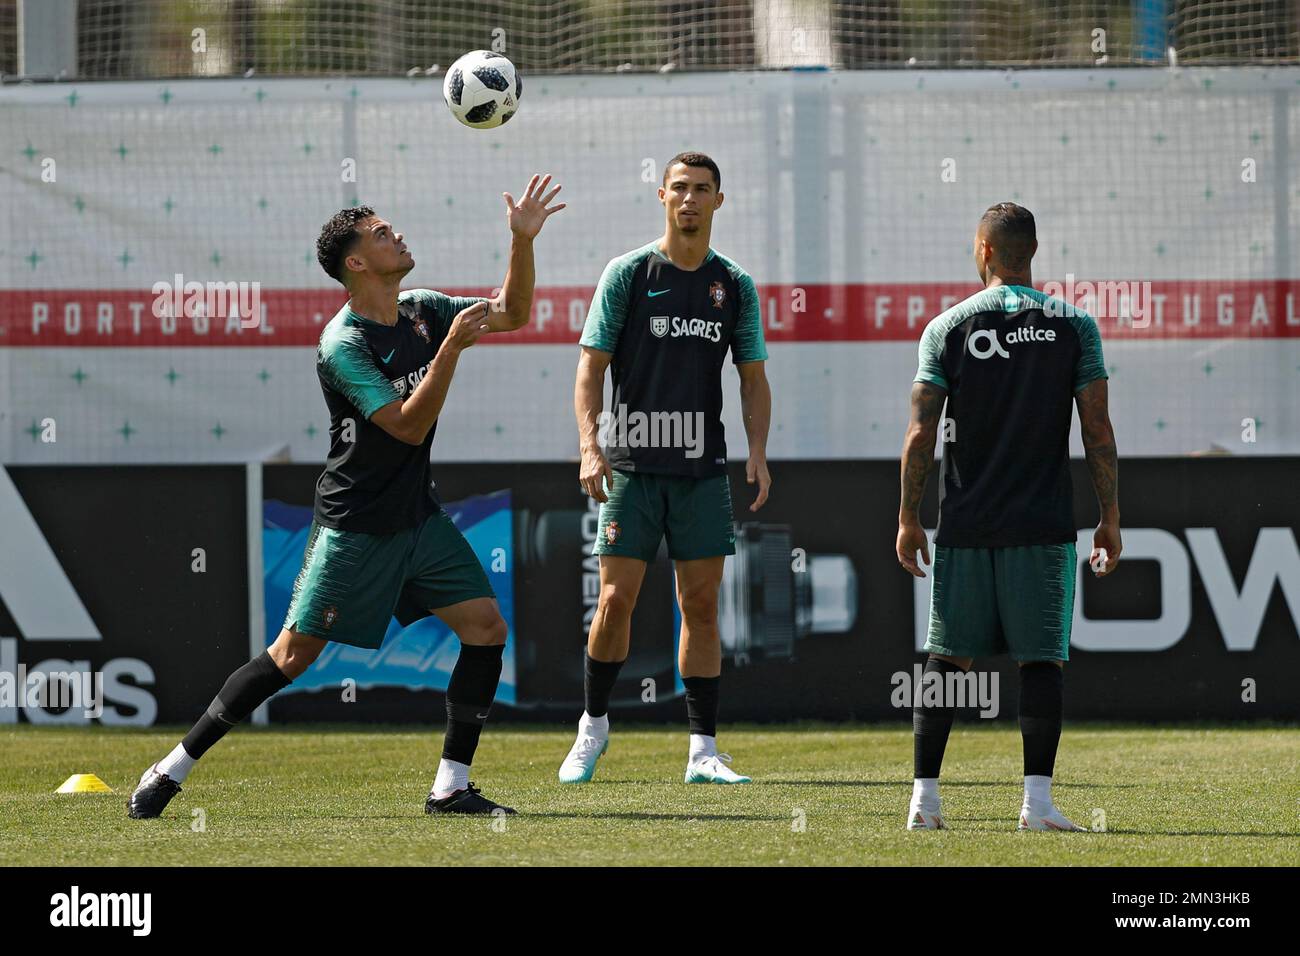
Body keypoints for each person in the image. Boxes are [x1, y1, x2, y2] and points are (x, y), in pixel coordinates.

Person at [128, 176, 565, 819]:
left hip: (417, 517)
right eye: (383, 234)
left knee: (485, 628)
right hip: (356, 526)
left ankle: (449, 786)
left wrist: (520, 242)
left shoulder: (421, 307)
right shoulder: (344, 343)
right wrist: (449, 351)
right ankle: (170, 769)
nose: (398, 234)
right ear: (356, 263)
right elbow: (409, 425)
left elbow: (514, 312)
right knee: (291, 657)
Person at [897, 202, 1121, 831]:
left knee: (946, 660)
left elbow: (920, 436)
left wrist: (909, 517)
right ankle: (1037, 806)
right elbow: (1097, 429)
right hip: (1043, 523)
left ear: (984, 250)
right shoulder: (1074, 326)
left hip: (966, 524)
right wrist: (1110, 515)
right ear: (1034, 250)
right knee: (1041, 661)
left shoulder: (948, 327)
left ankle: (924, 802)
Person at [557, 152, 772, 785]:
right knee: (616, 602)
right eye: (679, 188)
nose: (690, 199)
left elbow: (753, 379)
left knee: (701, 607)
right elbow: (590, 368)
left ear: (718, 202)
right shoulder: (627, 273)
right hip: (632, 467)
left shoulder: (733, 284)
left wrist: (757, 449)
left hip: (702, 469)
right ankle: (592, 730)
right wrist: (590, 446)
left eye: (702, 190)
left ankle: (703, 751)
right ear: (661, 196)